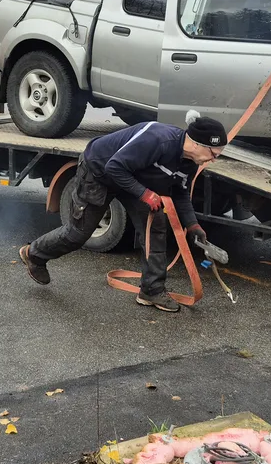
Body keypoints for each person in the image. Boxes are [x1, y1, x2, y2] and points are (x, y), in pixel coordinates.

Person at [19, 112, 228, 313]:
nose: (214, 159)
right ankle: (34, 254)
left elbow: (181, 193)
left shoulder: (190, 162)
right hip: (100, 171)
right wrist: (145, 195)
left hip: (134, 178)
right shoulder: (158, 140)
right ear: (196, 143)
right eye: (213, 153)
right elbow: (115, 167)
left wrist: (193, 225)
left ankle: (151, 291)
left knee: (155, 225)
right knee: (78, 234)